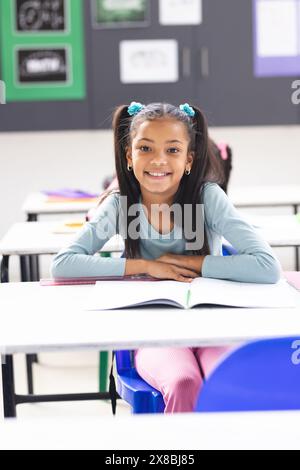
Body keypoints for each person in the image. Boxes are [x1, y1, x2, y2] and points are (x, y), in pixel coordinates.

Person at [52, 101, 281, 412]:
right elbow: (63, 264)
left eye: (172, 150)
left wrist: (190, 263)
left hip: (213, 326)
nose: (158, 160)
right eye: (145, 148)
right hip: (153, 331)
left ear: (189, 159)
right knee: (182, 382)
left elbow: (266, 266)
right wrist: (148, 266)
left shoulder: (208, 197)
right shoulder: (119, 204)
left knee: (228, 377)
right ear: (129, 156)